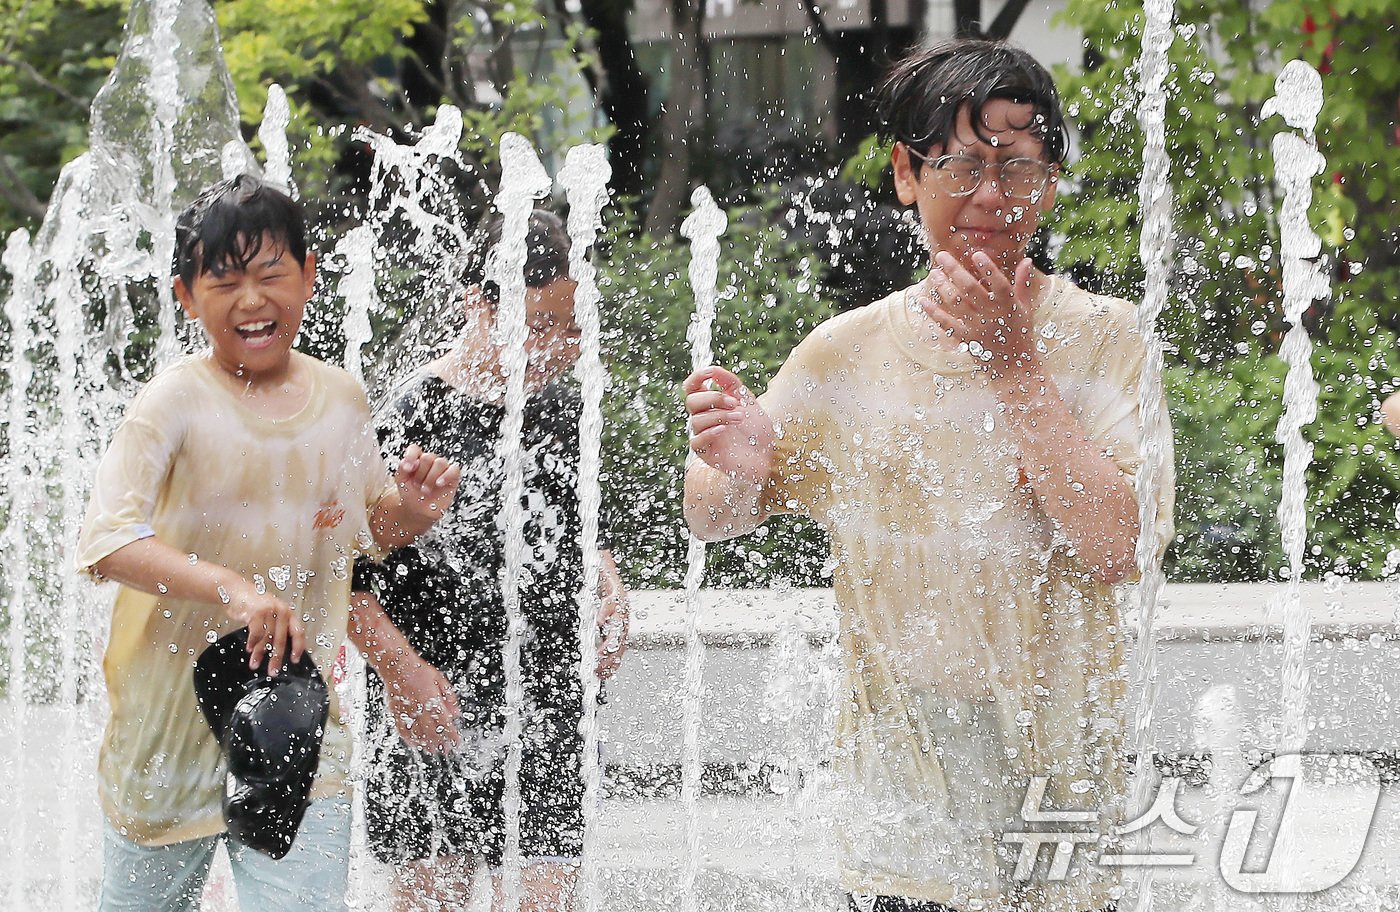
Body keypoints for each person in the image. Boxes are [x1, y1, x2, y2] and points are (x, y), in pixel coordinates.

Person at [683, 39, 1174, 912]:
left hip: (1059, 802)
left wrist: (1014, 364)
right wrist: (744, 469)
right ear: (908, 174)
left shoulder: (1109, 339)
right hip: (902, 816)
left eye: (1017, 168)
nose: (990, 195)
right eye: (961, 166)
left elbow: (1117, 548)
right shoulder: (846, 352)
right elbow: (712, 517)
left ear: (1050, 183)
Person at [77, 173, 462, 911]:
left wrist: (412, 511)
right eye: (224, 282)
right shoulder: (173, 403)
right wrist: (233, 589)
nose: (251, 300)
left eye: (270, 275)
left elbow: (363, 531)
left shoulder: (341, 400)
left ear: (309, 276)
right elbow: (108, 542)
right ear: (187, 297)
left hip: (296, 722)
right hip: (168, 728)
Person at [349, 209, 629, 912]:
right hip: (432, 699)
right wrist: (400, 672)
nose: (557, 348)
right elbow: (343, 574)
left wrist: (608, 581)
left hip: (549, 699)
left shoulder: (563, 411)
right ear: (478, 303)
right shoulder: (409, 416)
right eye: (539, 325)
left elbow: (577, 528)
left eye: (573, 329)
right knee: (431, 899)